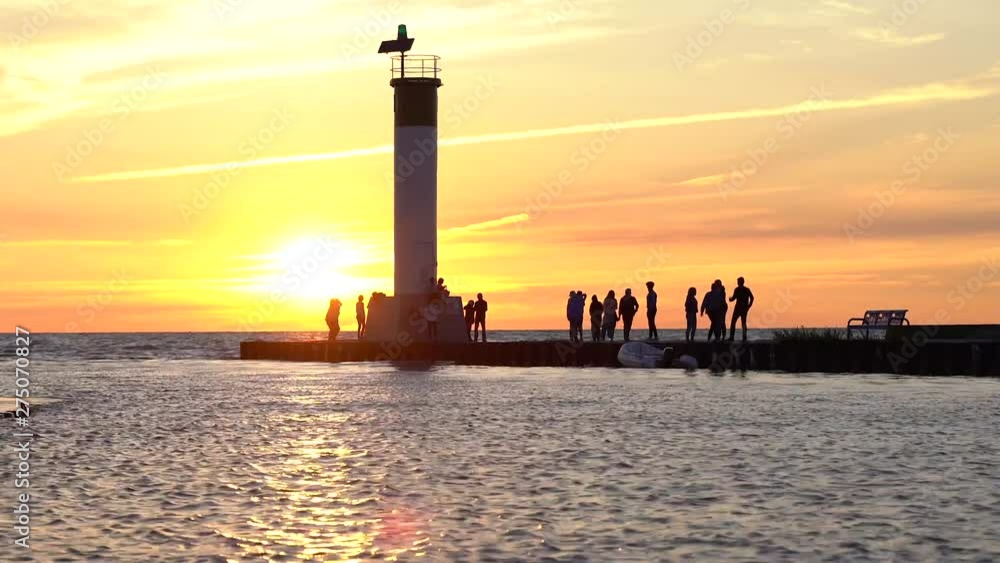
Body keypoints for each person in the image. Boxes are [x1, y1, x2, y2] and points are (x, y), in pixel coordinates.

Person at [728, 276, 755, 342]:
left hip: (738, 308)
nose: (737, 283)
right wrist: (749, 305)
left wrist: (730, 299)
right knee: (743, 322)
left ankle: (732, 337)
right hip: (744, 308)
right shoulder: (747, 289)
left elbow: (733, 298)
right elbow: (752, 297)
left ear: (739, 282)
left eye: (738, 282)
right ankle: (744, 337)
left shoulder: (737, 289)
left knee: (733, 322)